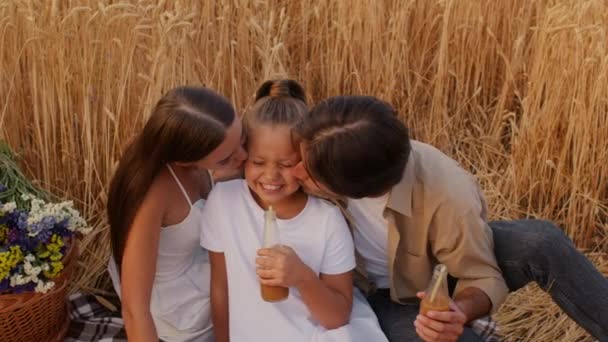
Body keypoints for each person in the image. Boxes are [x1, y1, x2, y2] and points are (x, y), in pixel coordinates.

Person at [291, 95, 608, 342]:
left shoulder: (447, 193)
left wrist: (459, 312)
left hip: (428, 282)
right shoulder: (330, 145)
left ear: (354, 189)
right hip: (365, 291)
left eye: (309, 173)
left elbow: (479, 274)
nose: (294, 172)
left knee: (540, 242)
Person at [199, 80, 387, 342]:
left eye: (286, 164)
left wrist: (302, 277)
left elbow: (338, 317)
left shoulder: (326, 220)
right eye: (258, 162)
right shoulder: (224, 202)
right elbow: (220, 287)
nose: (271, 176)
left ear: (305, 161)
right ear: (243, 155)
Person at [106, 86, 247, 342]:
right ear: (183, 161)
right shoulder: (152, 195)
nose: (244, 156)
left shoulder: (199, 153)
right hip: (179, 306)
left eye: (243, 139)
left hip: (204, 267)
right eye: (226, 159)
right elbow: (134, 308)